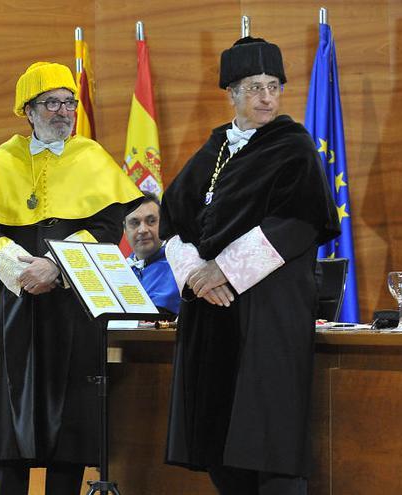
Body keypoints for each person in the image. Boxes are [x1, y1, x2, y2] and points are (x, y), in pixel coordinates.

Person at [160, 36, 340, 495]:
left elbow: (300, 220)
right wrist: (195, 277)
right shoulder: (215, 147)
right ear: (232, 94)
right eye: (255, 87)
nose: (266, 97)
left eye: (274, 86)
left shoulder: (294, 146)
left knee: (267, 436)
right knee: (217, 438)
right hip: (211, 312)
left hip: (268, 312)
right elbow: (173, 219)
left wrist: (224, 270)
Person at [0, 62, 142, 495]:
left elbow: (107, 226)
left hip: (73, 305)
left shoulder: (92, 157)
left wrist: (56, 267)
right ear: (28, 111)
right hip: (17, 303)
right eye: (51, 103)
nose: (63, 111)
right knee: (10, 414)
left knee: (70, 421)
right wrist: (23, 272)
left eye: (68, 102)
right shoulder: (5, 157)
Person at [124, 192, 179, 315]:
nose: (143, 230)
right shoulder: (120, 269)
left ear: (163, 224)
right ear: (125, 230)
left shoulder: (176, 266)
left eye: (151, 221)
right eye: (135, 223)